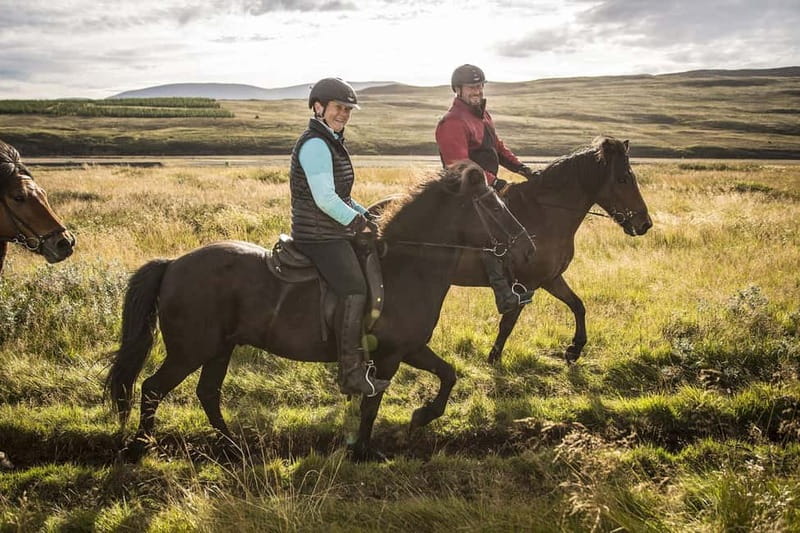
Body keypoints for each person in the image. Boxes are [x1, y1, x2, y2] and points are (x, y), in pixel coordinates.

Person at [289, 77, 390, 397]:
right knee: (354, 288)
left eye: (348, 109)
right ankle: (350, 374)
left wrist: (370, 216)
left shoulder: (330, 140)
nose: (344, 114)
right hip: (317, 236)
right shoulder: (316, 144)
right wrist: (357, 223)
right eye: (338, 107)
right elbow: (325, 200)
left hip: (331, 230)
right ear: (319, 107)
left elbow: (341, 196)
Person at [435, 64, 537, 314]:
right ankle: (504, 294)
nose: (478, 91)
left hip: (483, 190)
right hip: (461, 191)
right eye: (472, 87)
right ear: (458, 89)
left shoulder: (482, 115)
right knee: (491, 232)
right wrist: (495, 181)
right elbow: (459, 164)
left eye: (480, 86)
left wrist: (523, 169)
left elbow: (497, 147)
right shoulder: (452, 122)